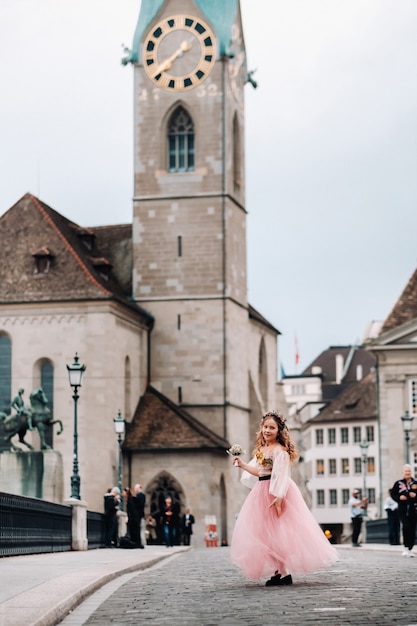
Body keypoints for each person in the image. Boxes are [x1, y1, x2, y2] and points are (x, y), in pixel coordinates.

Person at [230, 410, 338, 586]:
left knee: (278, 534)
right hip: (261, 489)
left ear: (278, 431)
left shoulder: (280, 451)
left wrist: (279, 497)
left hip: (276, 491)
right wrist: (242, 464)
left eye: (272, 428)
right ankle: (278, 572)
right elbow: (260, 472)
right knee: (266, 534)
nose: (267, 430)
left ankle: (284, 572)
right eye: (265, 427)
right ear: (261, 428)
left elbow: (281, 475)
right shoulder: (261, 449)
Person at [391, 464, 417, 557]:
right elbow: (393, 494)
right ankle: (406, 547)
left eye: (409, 471)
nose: (407, 473)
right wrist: (399, 497)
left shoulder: (415, 483)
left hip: (413, 509)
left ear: (411, 472)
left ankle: (410, 548)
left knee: (413, 529)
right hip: (403, 509)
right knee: (406, 527)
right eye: (406, 471)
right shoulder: (398, 483)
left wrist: (415, 496)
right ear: (403, 473)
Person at [134, 484, 146, 548]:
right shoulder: (142, 495)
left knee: (139, 529)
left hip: (138, 514)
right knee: (141, 529)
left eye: (136, 488)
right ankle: (142, 542)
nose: (135, 490)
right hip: (141, 514)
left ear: (139, 488)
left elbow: (139, 505)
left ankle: (140, 542)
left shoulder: (139, 495)